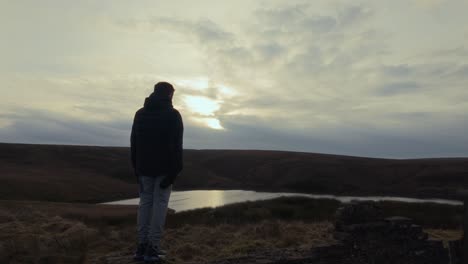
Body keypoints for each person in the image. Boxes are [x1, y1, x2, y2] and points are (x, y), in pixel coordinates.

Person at [130, 82, 184, 262]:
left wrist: (136, 168)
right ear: (169, 95)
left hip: (144, 168)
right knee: (160, 204)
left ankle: (141, 246)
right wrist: (175, 171)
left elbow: (134, 143)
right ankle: (152, 248)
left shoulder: (140, 114)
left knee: (145, 204)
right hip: (164, 169)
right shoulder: (173, 115)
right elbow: (177, 146)